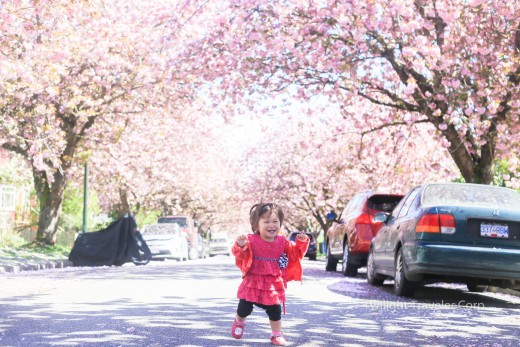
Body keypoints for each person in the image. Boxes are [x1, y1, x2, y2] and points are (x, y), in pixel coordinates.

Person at [231, 202, 309, 346]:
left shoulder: (282, 241)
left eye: (275, 221)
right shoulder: (251, 240)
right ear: (256, 226)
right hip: (253, 281)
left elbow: (294, 255)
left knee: (275, 310)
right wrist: (240, 245)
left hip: (273, 282)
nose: (271, 225)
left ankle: (276, 334)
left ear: (280, 224)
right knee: (244, 307)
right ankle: (239, 320)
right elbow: (238, 254)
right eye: (266, 221)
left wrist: (301, 244)